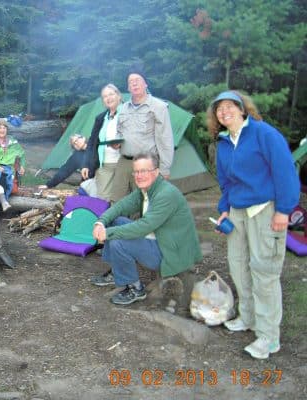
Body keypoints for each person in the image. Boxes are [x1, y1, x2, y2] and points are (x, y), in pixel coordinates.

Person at [207, 90, 299, 359]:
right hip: (237, 212)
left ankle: (269, 337)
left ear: (242, 109)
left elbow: (285, 173)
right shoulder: (224, 142)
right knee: (238, 265)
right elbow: (226, 183)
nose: (224, 112)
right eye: (219, 109)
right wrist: (224, 210)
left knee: (264, 272)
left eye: (229, 106)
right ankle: (248, 318)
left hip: (265, 210)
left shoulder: (264, 134)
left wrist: (284, 210)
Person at [91, 152, 202, 305]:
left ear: (156, 172)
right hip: (157, 239)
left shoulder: (165, 194)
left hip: (169, 251)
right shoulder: (146, 190)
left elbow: (144, 227)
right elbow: (121, 206)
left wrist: (107, 233)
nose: (139, 175)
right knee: (115, 220)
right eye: (136, 171)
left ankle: (136, 288)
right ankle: (117, 271)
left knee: (117, 241)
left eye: (144, 171)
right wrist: (101, 222)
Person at [111, 71, 174, 202]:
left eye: (137, 80)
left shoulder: (159, 107)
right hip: (124, 161)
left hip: (145, 164)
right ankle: (118, 223)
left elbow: (165, 140)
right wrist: (116, 142)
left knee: (141, 203)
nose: (134, 83)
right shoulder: (123, 108)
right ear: (128, 88)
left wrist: (164, 169)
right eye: (130, 82)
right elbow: (119, 132)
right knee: (116, 201)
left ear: (145, 84)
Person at [81, 83, 124, 201]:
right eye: (105, 96)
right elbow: (92, 143)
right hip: (105, 164)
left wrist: (122, 143)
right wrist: (86, 164)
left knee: (121, 198)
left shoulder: (129, 113)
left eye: (111, 94)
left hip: (124, 163)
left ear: (119, 96)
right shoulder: (100, 118)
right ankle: (105, 219)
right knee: (103, 198)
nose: (108, 98)